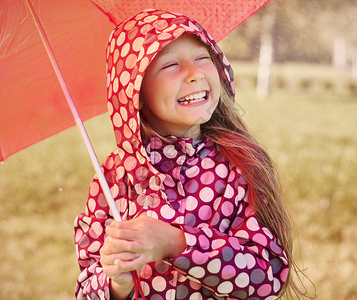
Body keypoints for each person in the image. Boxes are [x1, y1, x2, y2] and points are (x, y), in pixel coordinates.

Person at [75, 9, 308, 300]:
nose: (194, 73)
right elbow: (86, 289)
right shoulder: (113, 179)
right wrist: (116, 284)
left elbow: (266, 277)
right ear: (135, 92)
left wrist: (178, 243)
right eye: (170, 64)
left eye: (202, 58)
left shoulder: (237, 166)